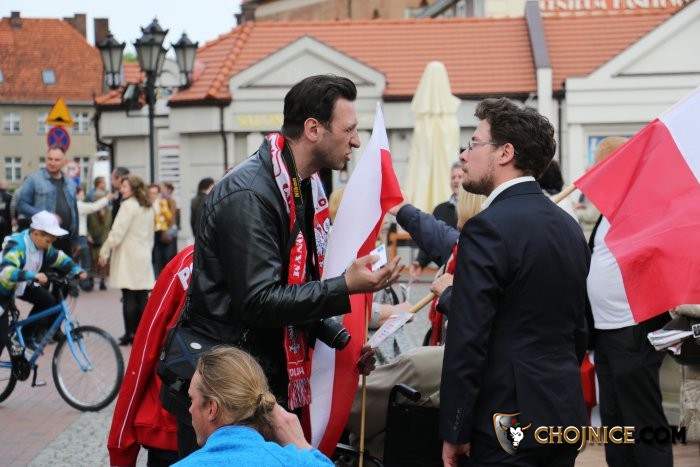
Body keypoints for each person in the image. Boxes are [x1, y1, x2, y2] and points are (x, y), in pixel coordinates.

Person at [179, 74, 402, 455]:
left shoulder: (303, 186)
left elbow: (294, 291)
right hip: (227, 395)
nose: (356, 141)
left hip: (254, 381)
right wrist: (345, 286)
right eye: (348, 129)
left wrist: (344, 342)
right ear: (313, 129)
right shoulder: (251, 194)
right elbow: (259, 302)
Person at [440, 98, 590, 467]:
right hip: (563, 411)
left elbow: (468, 338)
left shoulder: (487, 227)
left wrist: (455, 429)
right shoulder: (568, 227)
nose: (464, 155)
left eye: (474, 143)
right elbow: (578, 331)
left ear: (505, 153)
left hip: (506, 421)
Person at [587, 136, 673, 467]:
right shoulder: (608, 211)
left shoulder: (642, 206)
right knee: (614, 419)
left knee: (643, 419)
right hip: (606, 331)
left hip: (634, 328)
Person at [174, 346, 333, 466]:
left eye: (192, 399)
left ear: (212, 409)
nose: (190, 409)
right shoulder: (294, 462)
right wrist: (300, 444)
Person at [108, 245, 194, 467]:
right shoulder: (272, 263)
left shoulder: (187, 262)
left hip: (170, 424)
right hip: (250, 438)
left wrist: (121, 448)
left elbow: (146, 349)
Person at [0, 211, 86, 351]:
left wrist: (76, 269)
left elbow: (58, 257)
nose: (49, 245)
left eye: (52, 241)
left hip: (21, 284)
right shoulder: (18, 245)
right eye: (48, 241)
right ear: (36, 234)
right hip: (3, 289)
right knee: (1, 338)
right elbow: (6, 271)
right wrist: (33, 276)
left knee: (47, 301)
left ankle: (24, 337)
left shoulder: (42, 246)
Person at [99, 175, 155, 346]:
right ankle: (142, 334)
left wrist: (104, 251)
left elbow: (117, 232)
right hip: (143, 254)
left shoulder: (128, 206)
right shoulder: (148, 207)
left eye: (124, 186)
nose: (121, 189)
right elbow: (150, 234)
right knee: (142, 297)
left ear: (133, 188)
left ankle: (130, 334)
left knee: (129, 296)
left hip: (128, 255)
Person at [17, 145, 78, 254]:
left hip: (66, 240)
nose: (52, 163)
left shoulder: (70, 183)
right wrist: (46, 216)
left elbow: (74, 212)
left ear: (63, 162)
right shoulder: (34, 179)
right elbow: (21, 205)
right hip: (43, 240)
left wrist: (76, 240)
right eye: (50, 159)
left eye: (56, 160)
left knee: (66, 265)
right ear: (46, 159)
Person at [410, 161, 463, 278]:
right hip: (446, 273)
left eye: (460, 177)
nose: (456, 180)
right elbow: (430, 237)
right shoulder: (440, 209)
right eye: (453, 177)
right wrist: (420, 262)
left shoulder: (477, 207)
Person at [75, 186, 114, 291]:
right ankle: (85, 283)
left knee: (83, 261)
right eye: (82, 193)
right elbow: (94, 207)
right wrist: (107, 198)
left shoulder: (108, 211)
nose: (84, 196)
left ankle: (90, 282)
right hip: (85, 237)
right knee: (87, 261)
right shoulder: (80, 205)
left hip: (101, 238)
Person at [149, 183, 176, 277]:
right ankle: (154, 275)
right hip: (151, 231)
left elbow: (169, 217)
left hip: (162, 231)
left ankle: (165, 275)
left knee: (164, 254)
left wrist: (163, 208)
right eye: (151, 193)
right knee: (152, 255)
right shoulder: (147, 204)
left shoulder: (162, 202)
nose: (153, 195)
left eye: (155, 193)